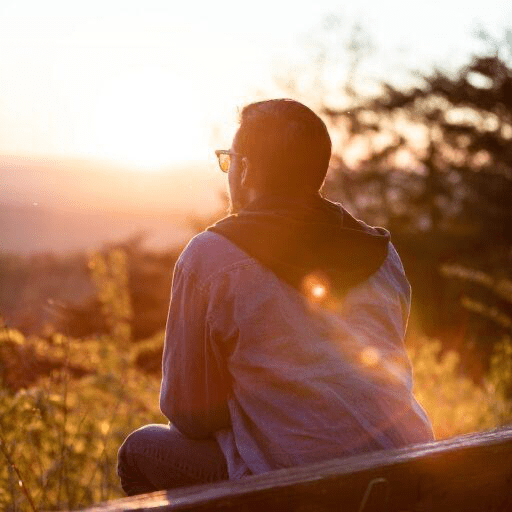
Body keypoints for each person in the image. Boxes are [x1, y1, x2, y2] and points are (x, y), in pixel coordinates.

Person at [117, 98, 434, 495]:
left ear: (247, 169)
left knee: (141, 450)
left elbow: (189, 415)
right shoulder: (382, 253)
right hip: (406, 472)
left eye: (230, 160)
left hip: (298, 489)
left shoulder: (210, 256)